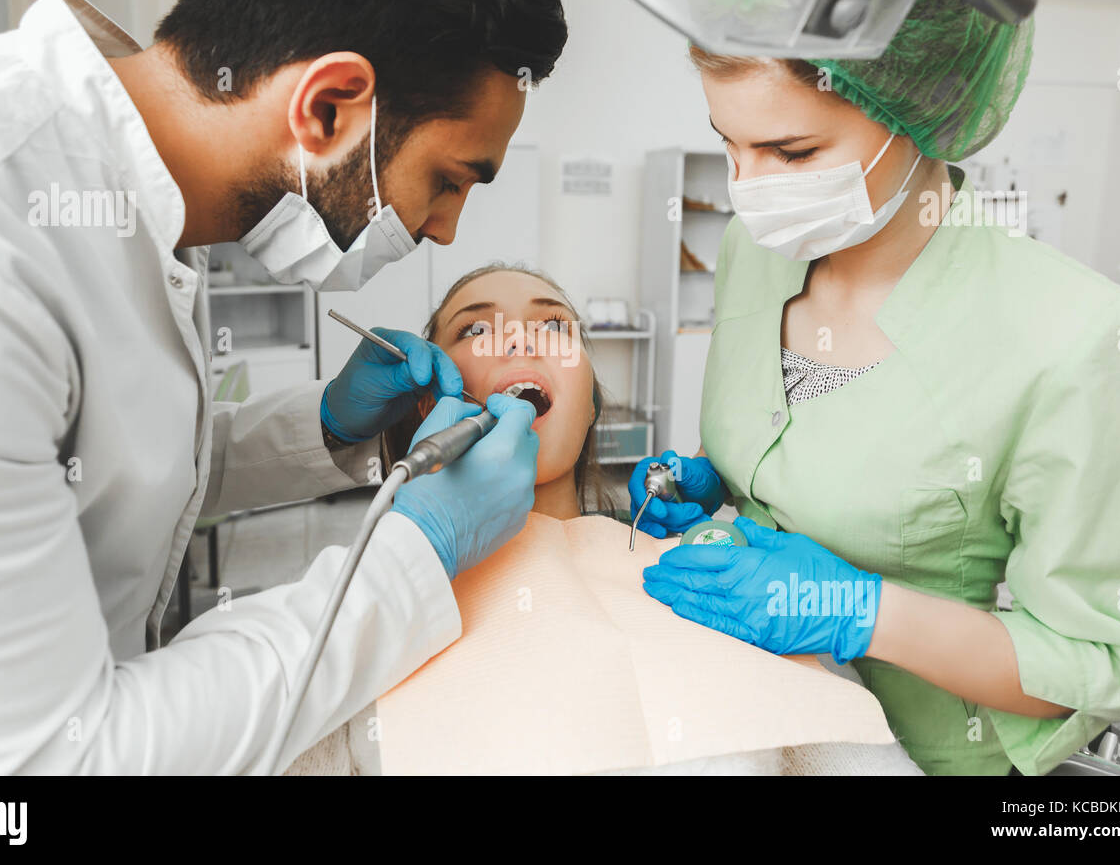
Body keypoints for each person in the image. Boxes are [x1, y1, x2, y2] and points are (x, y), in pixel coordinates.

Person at [0, 0, 566, 773]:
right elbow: (46, 764)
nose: (447, 232)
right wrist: (414, 556)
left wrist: (327, 426)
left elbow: (93, 465)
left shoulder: (137, 193)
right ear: (327, 108)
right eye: (447, 179)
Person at [634, 0, 1120, 775]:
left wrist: (859, 610)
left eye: (792, 150)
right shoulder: (755, 254)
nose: (748, 190)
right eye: (726, 144)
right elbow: (799, 444)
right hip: (738, 713)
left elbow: (1101, 666)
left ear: (920, 108)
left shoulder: (1070, 337)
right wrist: (711, 478)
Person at [286, 264, 922, 775]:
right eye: (477, 331)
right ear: (430, 401)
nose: (519, 337)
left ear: (591, 398)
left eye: (554, 326)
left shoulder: (720, 580)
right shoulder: (367, 604)